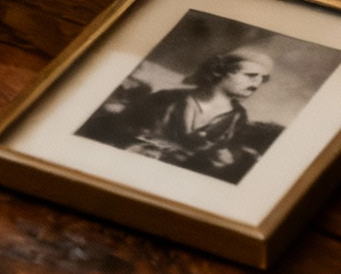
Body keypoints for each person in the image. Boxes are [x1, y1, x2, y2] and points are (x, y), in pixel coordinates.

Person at [81, 46, 282, 184]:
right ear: (221, 71)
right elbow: (117, 128)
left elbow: (225, 158)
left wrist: (224, 160)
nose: (256, 84)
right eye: (250, 75)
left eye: (262, 79)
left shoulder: (238, 119)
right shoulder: (166, 99)